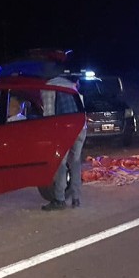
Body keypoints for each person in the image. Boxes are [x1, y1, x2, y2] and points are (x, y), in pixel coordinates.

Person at [41, 66, 87, 211]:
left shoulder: (48, 87)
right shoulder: (71, 86)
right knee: (75, 162)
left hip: (64, 128)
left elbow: (49, 113)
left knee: (60, 163)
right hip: (80, 126)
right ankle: (76, 198)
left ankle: (59, 199)